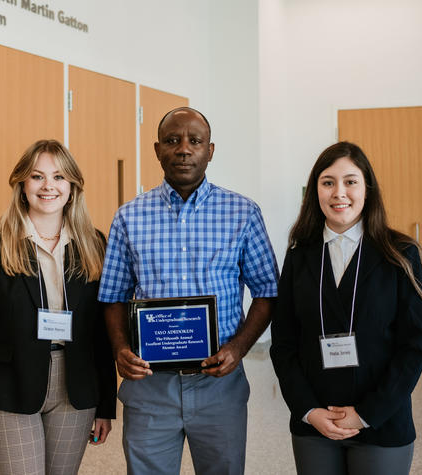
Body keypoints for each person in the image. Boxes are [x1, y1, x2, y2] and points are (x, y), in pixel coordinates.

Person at [98, 107, 279, 475]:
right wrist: (119, 349)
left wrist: (238, 348)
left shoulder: (242, 213)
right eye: (172, 140)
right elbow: (113, 296)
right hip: (150, 385)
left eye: (194, 141)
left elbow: (267, 292)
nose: (183, 149)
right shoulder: (129, 217)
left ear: (210, 150)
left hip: (219, 385)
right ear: (157, 150)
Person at [0, 139, 116, 475]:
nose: (48, 187)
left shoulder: (94, 243)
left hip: (75, 386)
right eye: (37, 177)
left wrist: (106, 405)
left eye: (58, 177)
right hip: (10, 386)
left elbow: (100, 332)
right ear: (22, 183)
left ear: (72, 187)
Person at [270, 141, 422, 474]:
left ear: (367, 189)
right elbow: (284, 345)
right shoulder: (299, 256)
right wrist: (309, 410)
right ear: (316, 191)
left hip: (381, 421)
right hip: (315, 422)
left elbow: (412, 348)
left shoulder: (400, 254)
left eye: (350, 181)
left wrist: (366, 413)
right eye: (328, 182)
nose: (339, 192)